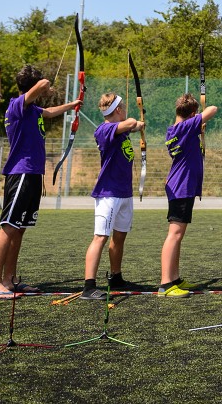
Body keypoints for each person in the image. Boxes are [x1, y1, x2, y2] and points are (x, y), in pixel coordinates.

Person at [0, 65, 80, 298]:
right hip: (22, 172)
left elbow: (49, 113)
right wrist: (45, 87)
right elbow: (41, 86)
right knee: (9, 226)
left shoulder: (33, 110)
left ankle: (10, 279)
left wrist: (73, 105)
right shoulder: (18, 105)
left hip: (32, 174)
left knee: (19, 229)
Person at [80, 93, 146, 300]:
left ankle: (116, 277)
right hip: (109, 193)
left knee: (120, 236)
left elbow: (133, 125)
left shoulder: (119, 129)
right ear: (118, 110)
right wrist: (136, 122)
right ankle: (88, 287)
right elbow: (130, 123)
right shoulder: (104, 129)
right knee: (100, 237)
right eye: (124, 107)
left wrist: (139, 125)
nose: (126, 110)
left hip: (124, 193)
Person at [159, 93, 218, 298]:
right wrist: (198, 119)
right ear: (192, 114)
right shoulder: (184, 127)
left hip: (181, 184)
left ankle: (174, 278)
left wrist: (197, 127)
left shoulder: (176, 129)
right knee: (174, 234)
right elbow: (212, 109)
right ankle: (166, 284)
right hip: (181, 186)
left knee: (178, 234)